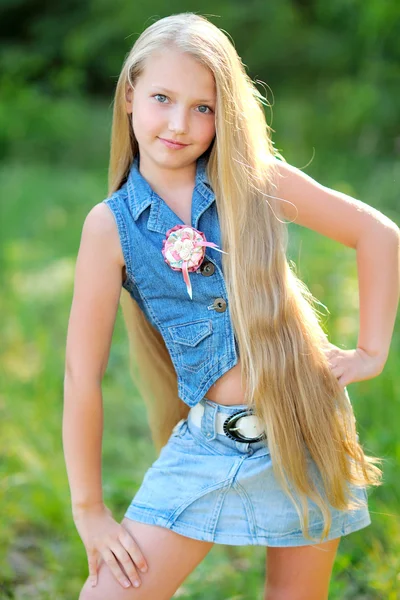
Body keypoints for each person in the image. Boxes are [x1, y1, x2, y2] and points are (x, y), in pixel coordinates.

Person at [63, 12, 400, 600]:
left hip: (306, 426)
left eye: (203, 107)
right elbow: (80, 375)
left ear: (225, 115)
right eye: (163, 97)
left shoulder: (254, 180)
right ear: (129, 96)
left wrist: (372, 350)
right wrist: (90, 508)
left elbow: (376, 234)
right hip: (209, 443)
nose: (179, 123)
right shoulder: (109, 227)